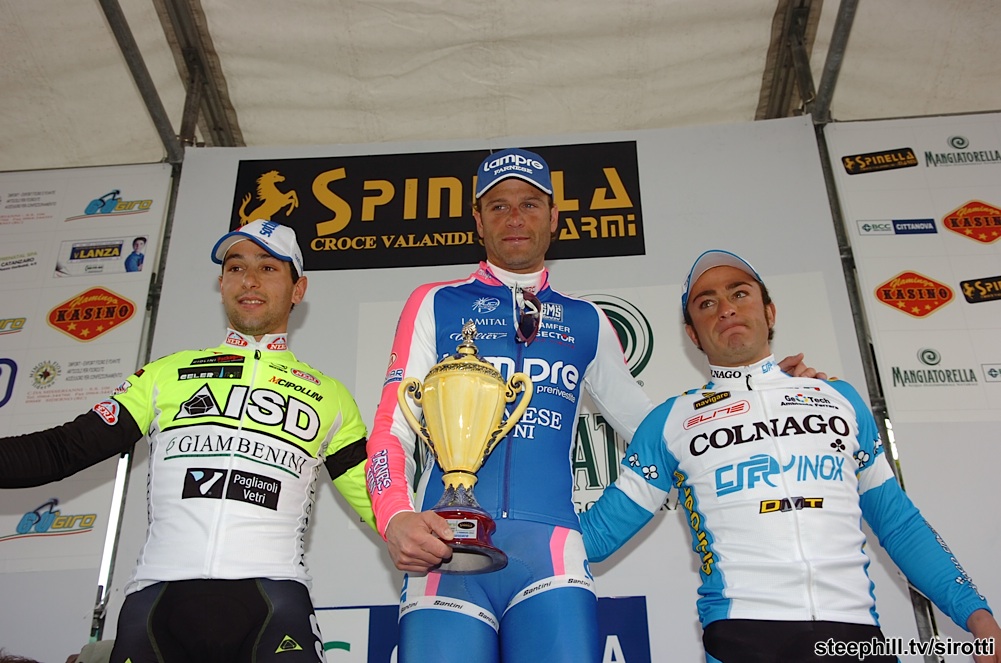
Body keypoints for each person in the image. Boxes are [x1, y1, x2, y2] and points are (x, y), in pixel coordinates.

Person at [364, 149, 820, 663]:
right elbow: (392, 425)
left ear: (553, 218)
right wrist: (395, 515)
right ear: (478, 220)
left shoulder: (586, 320)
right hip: (444, 547)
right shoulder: (434, 302)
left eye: (530, 204)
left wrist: (757, 394)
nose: (514, 218)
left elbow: (660, 431)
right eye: (498, 206)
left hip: (552, 557)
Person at [580, 249, 1001, 662]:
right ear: (693, 334)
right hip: (743, 637)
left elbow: (899, 524)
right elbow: (595, 538)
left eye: (739, 293)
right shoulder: (670, 420)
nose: (726, 308)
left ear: (770, 312)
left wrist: (977, 617)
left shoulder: (839, 398)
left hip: (854, 635)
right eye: (706, 303)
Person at [0, 220, 374, 663]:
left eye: (268, 267)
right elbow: (64, 448)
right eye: (236, 268)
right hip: (158, 601)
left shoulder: (330, 395)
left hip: (273, 600)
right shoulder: (165, 374)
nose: (249, 280)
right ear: (221, 284)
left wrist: (439, 529)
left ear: (298, 289)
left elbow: (380, 501)